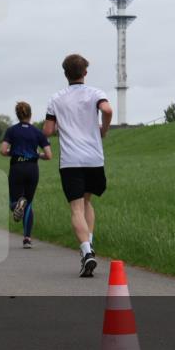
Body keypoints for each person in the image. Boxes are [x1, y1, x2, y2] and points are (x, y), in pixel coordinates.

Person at [42, 54, 112, 278]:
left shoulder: (56, 99)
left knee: (76, 208)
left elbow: (48, 131)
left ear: (65, 74)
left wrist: (59, 126)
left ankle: (86, 250)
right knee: (88, 202)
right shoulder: (96, 93)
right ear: (85, 73)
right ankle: (88, 249)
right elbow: (108, 110)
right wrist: (104, 129)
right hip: (94, 157)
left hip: (71, 160)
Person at [0, 102, 53, 248]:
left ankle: (17, 204)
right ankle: (27, 239)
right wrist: (37, 155)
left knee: (14, 201)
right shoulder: (38, 133)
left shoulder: (11, 131)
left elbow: (3, 150)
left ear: (17, 115)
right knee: (28, 203)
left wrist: (13, 152)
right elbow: (49, 155)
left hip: (17, 167)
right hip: (32, 168)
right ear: (30, 114)